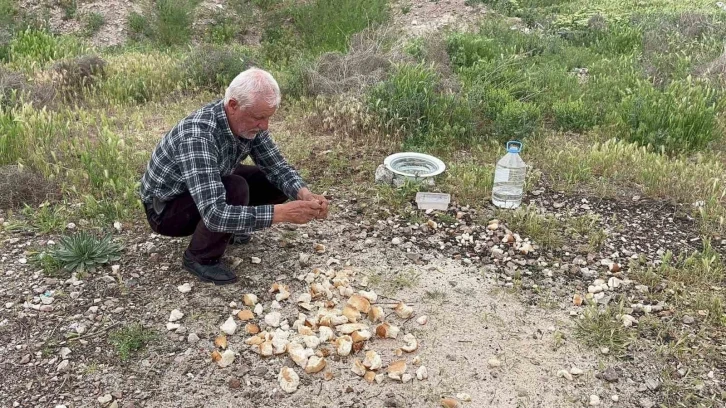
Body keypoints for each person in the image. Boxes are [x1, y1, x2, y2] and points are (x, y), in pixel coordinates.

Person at [138, 68, 328, 285]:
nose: (264, 126)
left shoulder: (247, 123)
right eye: (259, 118)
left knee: (272, 182)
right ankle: (200, 257)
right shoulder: (197, 135)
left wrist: (304, 194)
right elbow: (214, 213)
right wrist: (282, 213)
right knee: (235, 188)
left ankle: (233, 228)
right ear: (233, 105)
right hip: (165, 210)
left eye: (267, 118)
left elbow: (277, 168)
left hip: (205, 183)